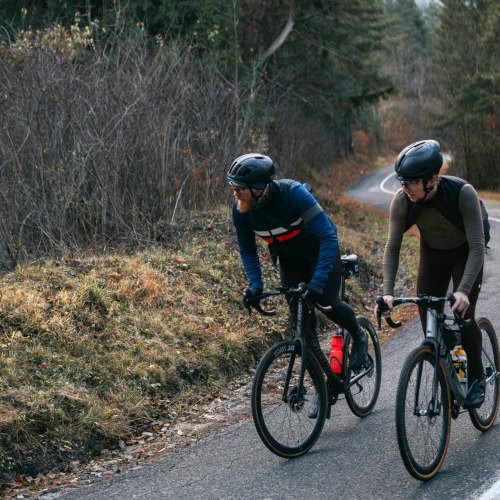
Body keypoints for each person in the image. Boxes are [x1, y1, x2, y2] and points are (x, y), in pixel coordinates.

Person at [227, 152, 368, 375]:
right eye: (233, 187)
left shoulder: (293, 193)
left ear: (259, 187)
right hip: (290, 258)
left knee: (327, 302)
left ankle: (359, 334)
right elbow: (247, 249)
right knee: (300, 324)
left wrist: (318, 281)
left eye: (239, 188)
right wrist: (256, 285)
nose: (235, 194)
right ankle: (323, 388)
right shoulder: (240, 210)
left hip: (320, 250)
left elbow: (328, 237)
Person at [376, 139, 485, 408]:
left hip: (465, 253)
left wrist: (463, 290)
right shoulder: (403, 201)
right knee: (429, 319)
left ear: (432, 180)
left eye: (410, 182)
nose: (404, 188)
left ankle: (476, 376)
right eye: (402, 181)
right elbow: (392, 247)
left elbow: (478, 247)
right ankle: (446, 375)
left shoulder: (462, 194)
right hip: (433, 254)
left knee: (464, 314)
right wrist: (387, 292)